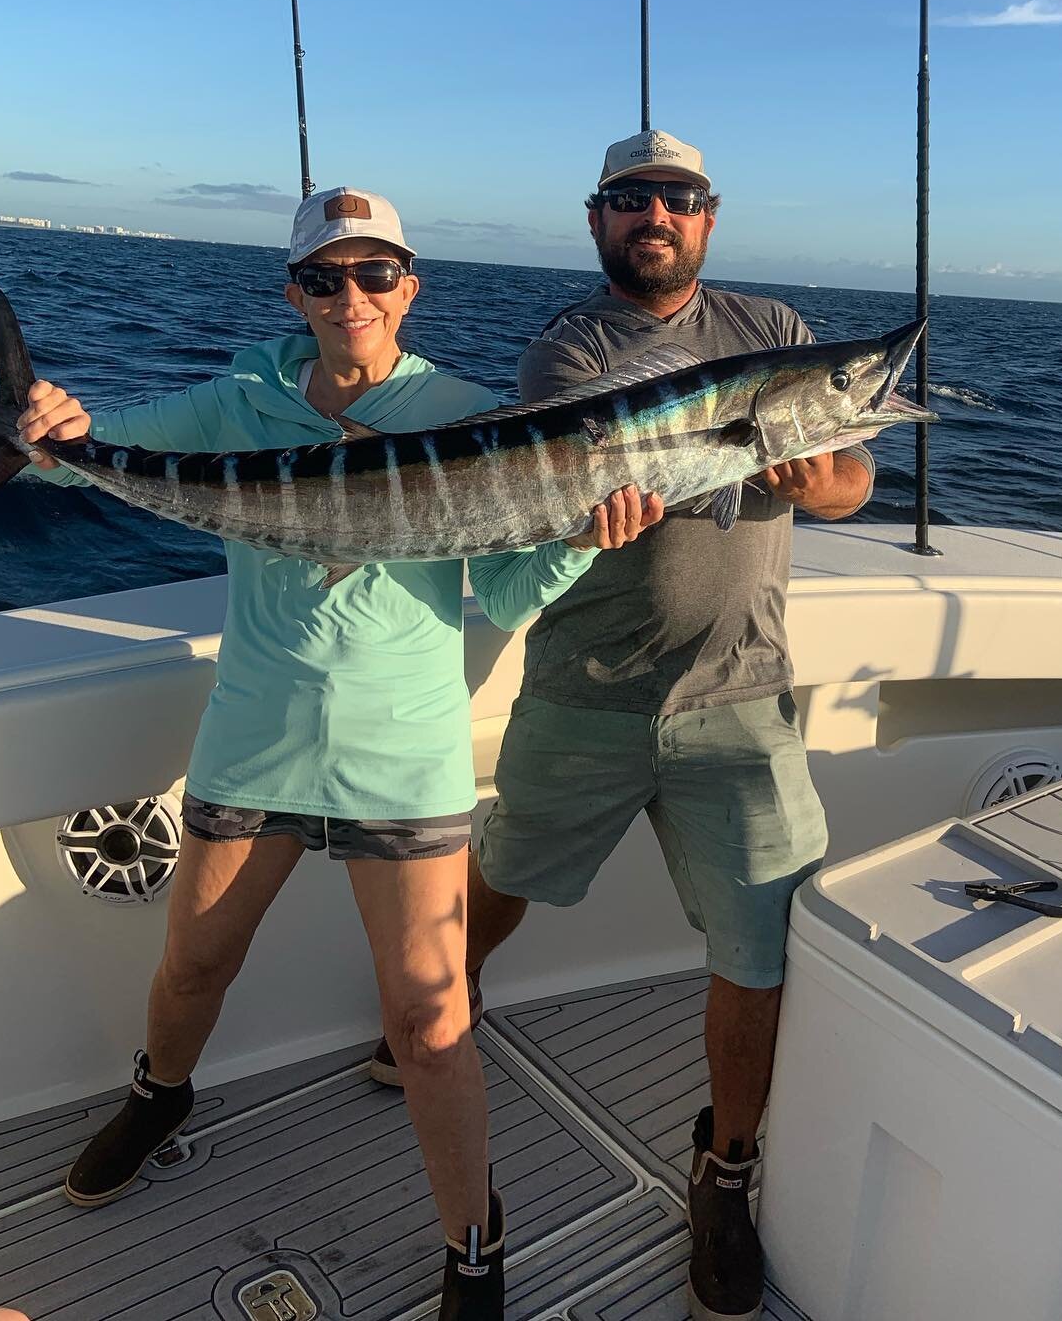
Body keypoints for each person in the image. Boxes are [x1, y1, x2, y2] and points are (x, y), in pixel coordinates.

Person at [17, 186, 662, 1321]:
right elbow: (85, 457)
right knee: (193, 970)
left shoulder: (468, 413)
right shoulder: (236, 401)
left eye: (375, 274)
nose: (351, 295)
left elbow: (503, 588)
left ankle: (473, 1241)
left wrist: (576, 541)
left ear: (411, 286)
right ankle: (160, 1095)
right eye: (326, 277)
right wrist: (44, 429)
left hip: (401, 754)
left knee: (428, 1018)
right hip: (253, 740)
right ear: (293, 293)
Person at [369, 133, 874, 1321]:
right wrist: (629, 491)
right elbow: (574, 481)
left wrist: (816, 474)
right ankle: (441, 1012)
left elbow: (848, 475)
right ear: (598, 221)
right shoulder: (573, 345)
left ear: (710, 218)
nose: (656, 215)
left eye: (679, 200)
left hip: (741, 692)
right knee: (510, 869)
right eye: (632, 200)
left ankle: (727, 1169)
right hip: (585, 682)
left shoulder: (781, 334)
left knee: (759, 947)